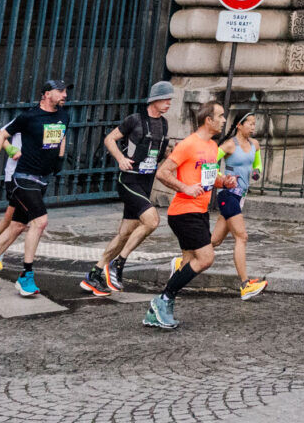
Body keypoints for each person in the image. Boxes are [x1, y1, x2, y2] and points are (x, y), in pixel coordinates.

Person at [0, 79, 71, 297]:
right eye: (60, 91)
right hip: (23, 178)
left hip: (42, 179)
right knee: (40, 222)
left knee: (17, 226)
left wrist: (60, 159)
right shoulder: (29, 117)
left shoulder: (64, 116)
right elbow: (1, 135)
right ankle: (26, 274)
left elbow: (62, 136)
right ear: (46, 94)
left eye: (65, 91)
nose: (65, 94)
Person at [82, 82, 175, 298]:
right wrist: (120, 159)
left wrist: (174, 155)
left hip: (146, 183)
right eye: (165, 99)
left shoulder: (164, 124)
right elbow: (109, 139)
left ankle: (94, 274)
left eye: (170, 100)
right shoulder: (135, 120)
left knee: (124, 234)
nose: (169, 103)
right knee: (152, 221)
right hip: (129, 181)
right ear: (154, 100)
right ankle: (118, 264)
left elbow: (159, 151)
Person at [144, 97, 229, 331]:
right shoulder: (189, 144)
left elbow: (209, 178)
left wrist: (225, 182)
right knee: (206, 258)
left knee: (190, 262)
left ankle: (158, 311)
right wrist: (185, 188)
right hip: (184, 212)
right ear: (208, 120)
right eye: (220, 116)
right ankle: (163, 299)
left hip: (200, 211)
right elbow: (163, 172)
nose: (224, 120)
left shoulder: (212, 147)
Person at [215, 108, 266, 300]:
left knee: (215, 241)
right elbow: (210, 163)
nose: (253, 127)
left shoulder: (255, 145)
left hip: (240, 196)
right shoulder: (229, 145)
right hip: (227, 195)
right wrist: (222, 178)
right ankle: (245, 285)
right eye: (250, 123)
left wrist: (257, 172)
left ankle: (184, 262)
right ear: (239, 125)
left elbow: (257, 165)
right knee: (242, 237)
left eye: (254, 123)